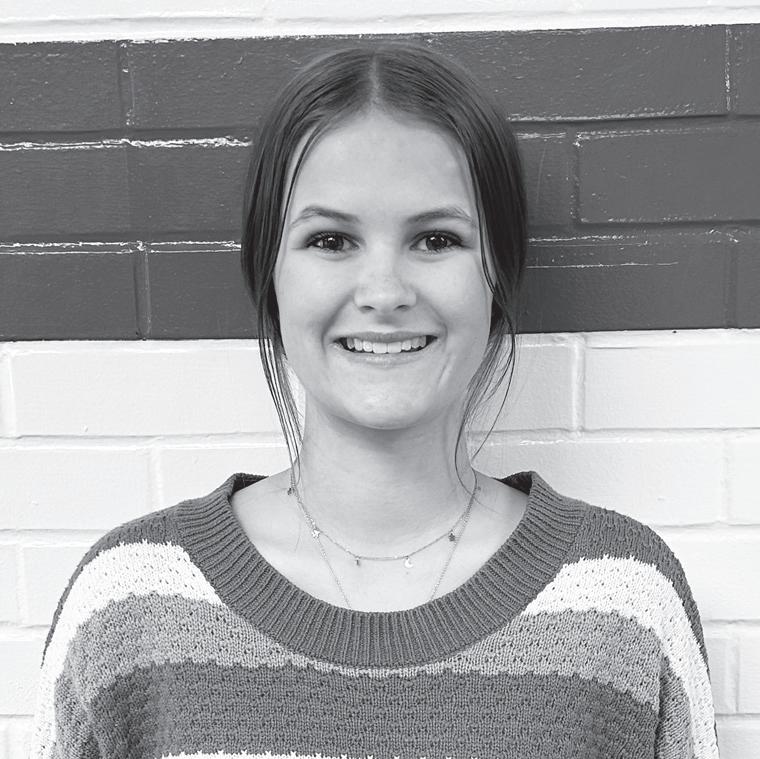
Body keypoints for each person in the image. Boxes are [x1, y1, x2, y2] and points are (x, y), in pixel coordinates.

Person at [30, 42, 720, 759]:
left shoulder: (622, 603)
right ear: (269, 274)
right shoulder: (129, 605)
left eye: (436, 239)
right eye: (331, 240)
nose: (385, 292)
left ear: (498, 274)